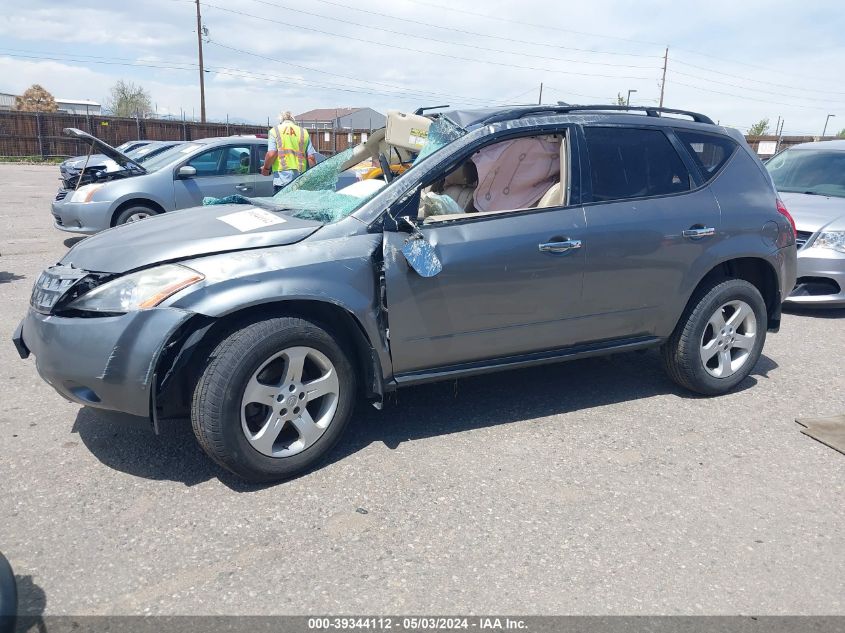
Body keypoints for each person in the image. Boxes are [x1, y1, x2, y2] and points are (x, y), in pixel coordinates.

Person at [260, 111, 318, 193]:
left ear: (281, 121)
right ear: (293, 121)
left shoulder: (275, 130)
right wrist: (313, 177)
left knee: (282, 205)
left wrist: (265, 169)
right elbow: (311, 158)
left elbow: (271, 154)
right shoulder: (303, 132)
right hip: (300, 181)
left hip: (282, 180)